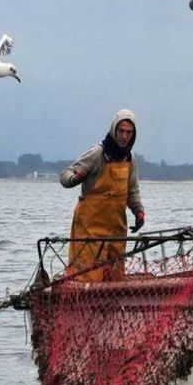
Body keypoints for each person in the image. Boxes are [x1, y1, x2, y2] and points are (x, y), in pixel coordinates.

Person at [60, 109, 145, 281]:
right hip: (90, 226)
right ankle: (81, 303)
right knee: (87, 273)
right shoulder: (98, 153)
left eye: (129, 132)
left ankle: (110, 305)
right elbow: (65, 176)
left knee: (115, 275)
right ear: (114, 130)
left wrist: (139, 212)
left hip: (116, 227)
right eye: (121, 131)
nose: (124, 136)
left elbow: (132, 190)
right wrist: (75, 178)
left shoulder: (130, 159)